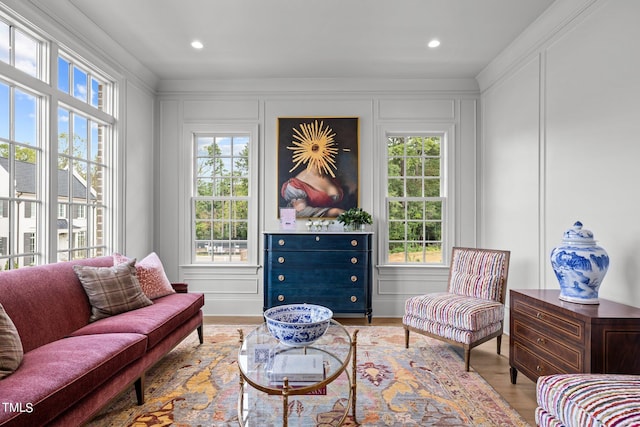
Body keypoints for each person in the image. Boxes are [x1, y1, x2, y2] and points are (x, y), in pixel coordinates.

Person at [280, 119, 345, 217]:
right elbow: (301, 213)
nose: (323, 155)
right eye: (317, 150)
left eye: (327, 151)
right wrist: (334, 212)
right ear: (307, 153)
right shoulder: (296, 184)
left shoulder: (333, 179)